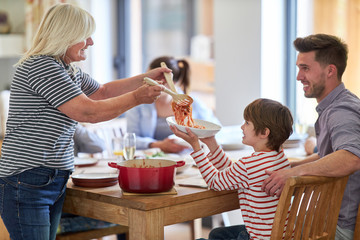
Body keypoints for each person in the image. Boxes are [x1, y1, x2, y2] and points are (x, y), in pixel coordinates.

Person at [0, 3, 170, 240]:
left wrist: (146, 78)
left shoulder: (67, 68)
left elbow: (101, 92)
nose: (91, 42)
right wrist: (137, 97)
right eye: (85, 36)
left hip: (50, 177)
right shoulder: (41, 66)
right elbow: (88, 112)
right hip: (29, 178)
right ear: (66, 35)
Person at [262, 34, 360, 240]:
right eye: (299, 68)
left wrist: (291, 174)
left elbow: (351, 157)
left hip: (337, 227)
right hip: (327, 218)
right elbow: (329, 155)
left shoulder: (341, 110)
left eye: (305, 68)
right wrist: (288, 167)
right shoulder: (336, 105)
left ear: (330, 70)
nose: (298, 76)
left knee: (226, 234)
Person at [170, 98, 293, 240]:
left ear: (264, 132)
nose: (242, 127)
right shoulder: (280, 159)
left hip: (258, 237)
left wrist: (196, 147)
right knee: (217, 234)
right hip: (279, 235)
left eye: (247, 123)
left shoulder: (249, 165)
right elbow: (233, 172)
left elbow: (215, 181)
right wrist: (212, 143)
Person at [126, 56, 221, 153]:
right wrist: (158, 145)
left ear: (174, 82)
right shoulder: (138, 105)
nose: (151, 84)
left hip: (189, 158)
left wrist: (198, 139)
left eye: (158, 80)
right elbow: (130, 139)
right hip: (154, 157)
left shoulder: (191, 103)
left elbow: (215, 129)